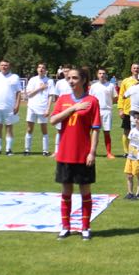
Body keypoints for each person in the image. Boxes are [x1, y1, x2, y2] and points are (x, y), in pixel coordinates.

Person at [49, 67, 101, 241]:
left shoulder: (92, 101)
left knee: (85, 191)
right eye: (69, 78)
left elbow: (95, 130)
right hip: (64, 153)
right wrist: (73, 108)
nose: (71, 81)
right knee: (66, 191)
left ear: (84, 80)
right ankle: (66, 227)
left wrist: (92, 152)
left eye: (75, 78)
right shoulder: (63, 99)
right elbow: (53, 120)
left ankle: (85, 227)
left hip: (83, 154)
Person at [0, 59, 22, 156]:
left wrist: (17, 105)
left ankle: (8, 149)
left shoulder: (14, 77)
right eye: (2, 65)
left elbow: (19, 92)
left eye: (6, 65)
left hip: (9, 107)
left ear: (9, 66)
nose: (4, 67)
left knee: (9, 128)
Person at [24, 62, 55, 157]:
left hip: (43, 108)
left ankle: (45, 150)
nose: (41, 69)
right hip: (32, 107)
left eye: (43, 68)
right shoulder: (32, 80)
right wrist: (40, 88)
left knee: (44, 129)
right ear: (37, 69)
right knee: (29, 129)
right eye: (39, 67)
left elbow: (50, 96)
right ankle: (27, 149)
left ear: (46, 70)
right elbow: (28, 94)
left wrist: (48, 109)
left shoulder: (49, 81)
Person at [89, 68, 117, 159]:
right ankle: (92, 151)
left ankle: (109, 153)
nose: (102, 75)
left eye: (103, 73)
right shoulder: (93, 86)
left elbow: (115, 98)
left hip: (107, 111)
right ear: (97, 75)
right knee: (94, 132)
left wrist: (108, 104)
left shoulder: (111, 85)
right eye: (100, 73)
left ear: (106, 75)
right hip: (95, 111)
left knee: (106, 132)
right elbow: (90, 99)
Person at [117, 63, 139, 156]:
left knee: (138, 132)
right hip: (128, 110)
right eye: (134, 68)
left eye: (138, 68)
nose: (136, 69)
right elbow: (121, 95)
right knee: (126, 131)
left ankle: (136, 150)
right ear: (131, 70)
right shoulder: (126, 81)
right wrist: (120, 109)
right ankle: (126, 151)